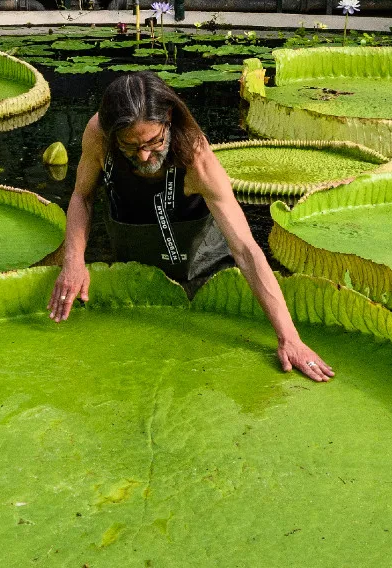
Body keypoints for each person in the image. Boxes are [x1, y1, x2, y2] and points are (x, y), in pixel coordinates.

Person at [48, 71, 335, 382]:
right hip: (134, 271)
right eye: (130, 145)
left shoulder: (197, 158)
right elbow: (82, 196)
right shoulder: (98, 133)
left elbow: (245, 248)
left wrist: (289, 338)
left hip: (201, 269)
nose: (144, 155)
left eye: (154, 141)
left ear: (169, 117)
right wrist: (74, 261)